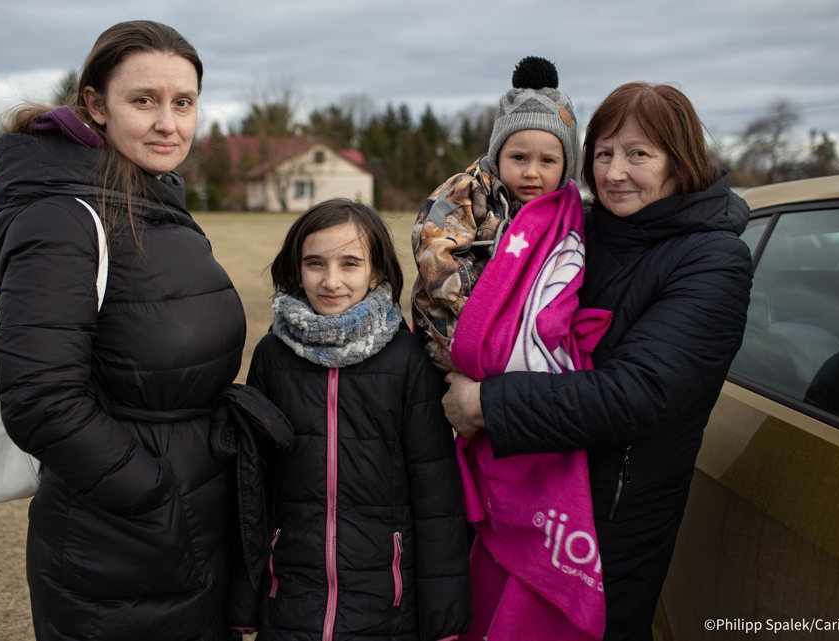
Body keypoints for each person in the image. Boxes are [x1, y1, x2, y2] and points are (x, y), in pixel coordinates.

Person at [442, 81, 754, 641]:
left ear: (679, 161)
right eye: (603, 153)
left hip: (609, 524)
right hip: (519, 493)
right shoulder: (574, 232)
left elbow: (639, 394)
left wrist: (484, 403)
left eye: (638, 154)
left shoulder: (713, 261)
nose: (614, 173)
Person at [0, 20, 260, 640]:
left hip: (188, 527)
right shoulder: (63, 217)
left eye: (183, 102)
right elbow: (40, 400)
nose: (169, 123)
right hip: (115, 547)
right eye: (144, 100)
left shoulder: (151, 198)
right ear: (94, 105)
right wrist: (150, 494)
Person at [411, 56, 611, 640]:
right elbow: (437, 267)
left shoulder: (571, 217)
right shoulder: (463, 197)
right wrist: (492, 332)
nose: (532, 171)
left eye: (549, 160)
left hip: (531, 376)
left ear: (566, 165)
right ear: (496, 155)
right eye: (518, 157)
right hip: (458, 344)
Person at [245, 198, 471, 641]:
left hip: (385, 604)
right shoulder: (271, 356)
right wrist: (242, 601)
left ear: (378, 272)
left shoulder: (407, 359)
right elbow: (250, 485)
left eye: (350, 263)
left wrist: (444, 617)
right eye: (315, 263)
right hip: (289, 596)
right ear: (296, 268)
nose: (331, 281)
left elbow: (436, 495)